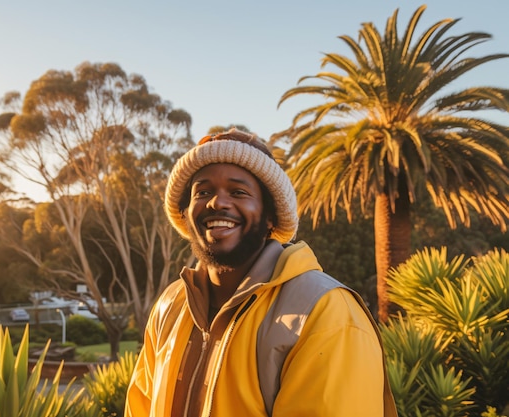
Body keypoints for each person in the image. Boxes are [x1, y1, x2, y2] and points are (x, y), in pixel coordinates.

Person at [125, 128, 398, 416]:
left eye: (238, 192)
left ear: (271, 216)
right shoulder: (171, 305)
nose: (217, 202)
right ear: (185, 213)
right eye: (203, 192)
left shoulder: (325, 312)